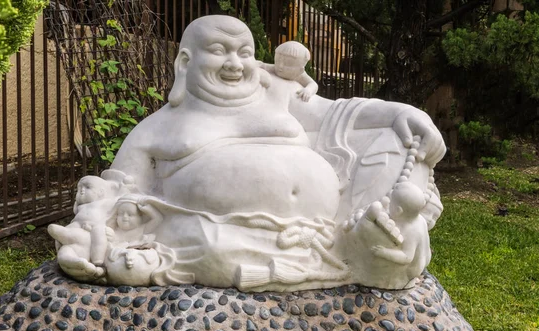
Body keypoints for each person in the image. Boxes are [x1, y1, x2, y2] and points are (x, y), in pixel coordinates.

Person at [93, 15, 446, 291]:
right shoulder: (158, 128)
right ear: (186, 61)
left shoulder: (276, 92)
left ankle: (370, 245)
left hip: (324, 228)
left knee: (400, 138)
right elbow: (112, 193)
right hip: (225, 239)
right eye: (219, 51)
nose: (235, 64)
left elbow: (339, 112)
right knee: (207, 246)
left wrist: (405, 113)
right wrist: (91, 232)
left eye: (244, 53)